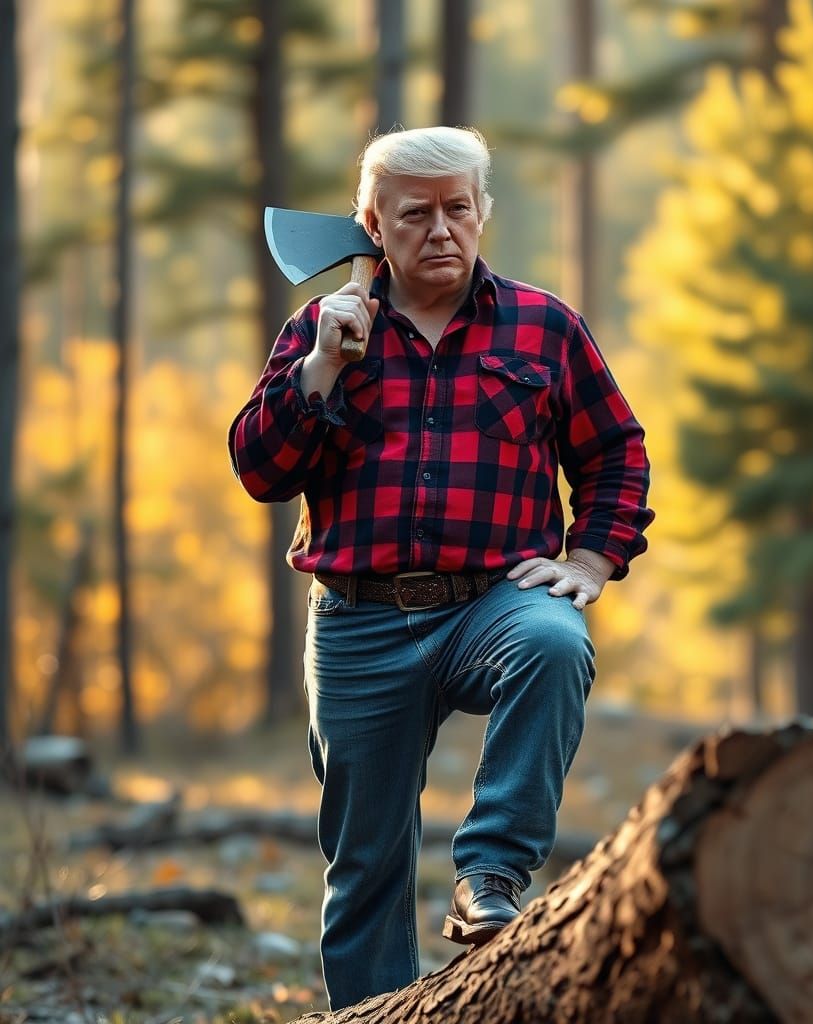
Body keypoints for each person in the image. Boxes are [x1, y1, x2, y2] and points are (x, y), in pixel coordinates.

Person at [228, 125, 653, 1010]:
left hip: (491, 605)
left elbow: (615, 449)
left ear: (484, 212)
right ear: (372, 226)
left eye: (458, 208)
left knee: (553, 642)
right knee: (366, 866)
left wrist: (592, 555)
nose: (442, 230)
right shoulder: (324, 326)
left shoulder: (544, 326)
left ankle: (489, 874)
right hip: (357, 621)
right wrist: (318, 373)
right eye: (414, 214)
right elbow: (262, 473)